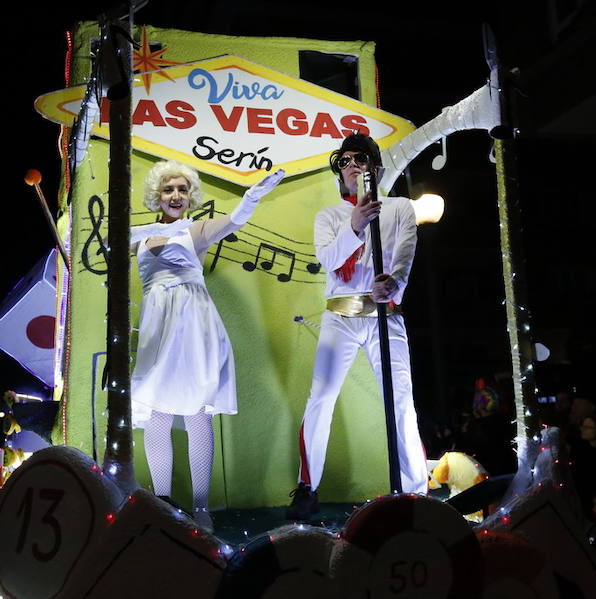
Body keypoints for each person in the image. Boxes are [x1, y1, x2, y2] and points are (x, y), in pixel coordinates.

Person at [131, 160, 284, 531]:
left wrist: (252, 197)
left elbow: (234, 221)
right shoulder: (140, 235)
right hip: (157, 328)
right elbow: (104, 244)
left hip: (194, 326)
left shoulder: (195, 230)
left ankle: (202, 508)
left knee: (197, 412)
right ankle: (162, 504)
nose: (176, 195)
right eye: (168, 189)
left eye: (183, 190)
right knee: (158, 412)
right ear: (156, 194)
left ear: (190, 196)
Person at [287, 133, 427, 520]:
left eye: (360, 159)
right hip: (341, 316)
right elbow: (330, 260)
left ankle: (416, 490)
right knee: (321, 397)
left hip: (386, 315)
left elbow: (406, 252)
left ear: (375, 170)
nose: (352, 166)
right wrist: (355, 224)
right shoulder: (329, 217)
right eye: (345, 161)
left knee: (401, 401)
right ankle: (307, 487)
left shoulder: (399, 208)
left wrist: (394, 283)